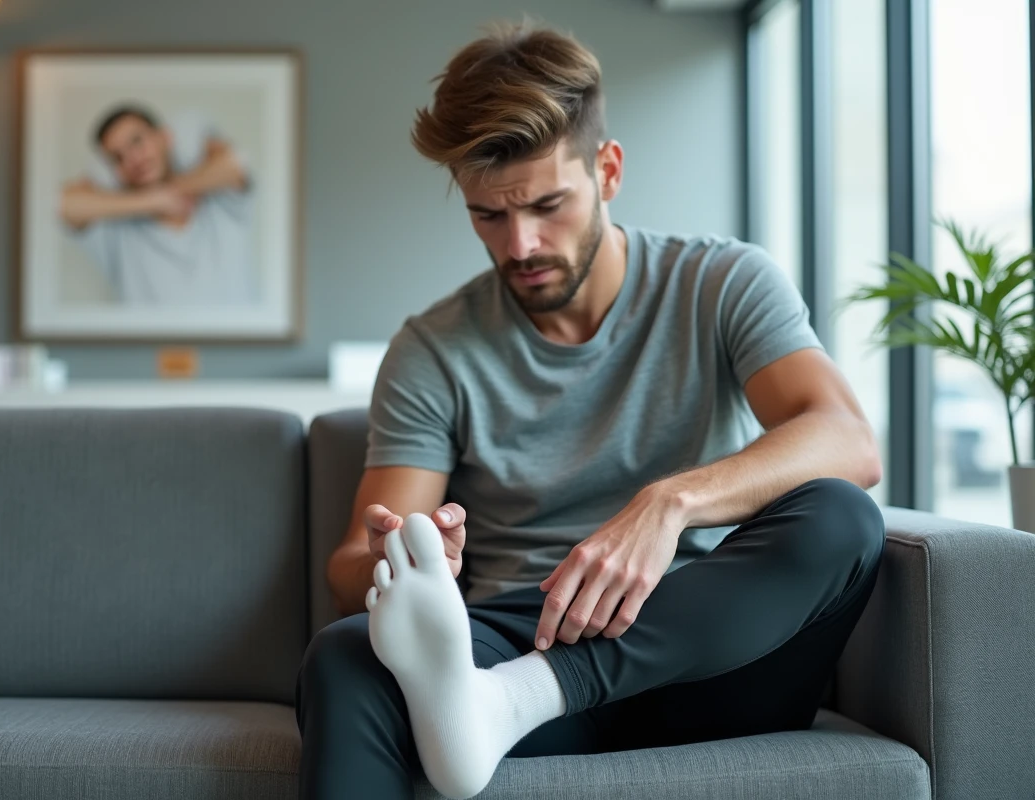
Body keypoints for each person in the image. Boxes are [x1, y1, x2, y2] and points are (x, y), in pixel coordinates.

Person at [295, 21, 885, 800]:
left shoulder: (722, 282)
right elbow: (349, 572)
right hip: (512, 638)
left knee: (840, 518)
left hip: (708, 651)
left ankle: (519, 699)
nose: (520, 245)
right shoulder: (433, 349)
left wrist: (671, 503)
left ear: (607, 170)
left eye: (547, 205)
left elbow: (847, 438)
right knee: (342, 655)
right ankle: (502, 700)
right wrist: (408, 562)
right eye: (488, 216)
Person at [58, 105, 257, 306]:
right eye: (118, 157)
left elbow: (237, 163)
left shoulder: (221, 202)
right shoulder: (114, 231)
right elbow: (62, 204)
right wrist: (153, 200)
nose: (132, 159)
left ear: (164, 137)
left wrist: (175, 189)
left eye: (137, 141)